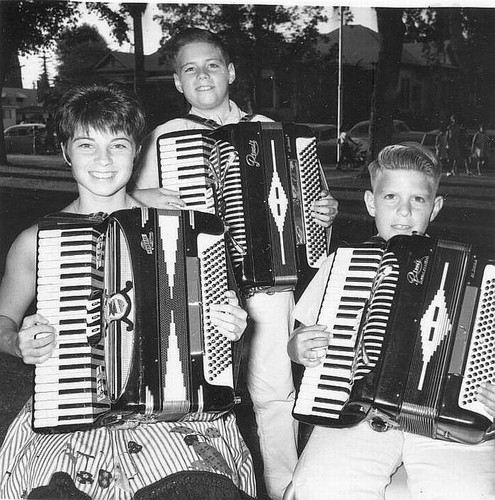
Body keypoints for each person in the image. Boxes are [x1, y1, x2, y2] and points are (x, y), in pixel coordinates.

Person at [0, 84, 257, 500]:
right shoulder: (37, 240)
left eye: (117, 145)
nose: (103, 161)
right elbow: (3, 322)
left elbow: (215, 339)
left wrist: (230, 325)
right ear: (66, 152)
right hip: (74, 407)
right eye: (87, 145)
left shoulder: (184, 231)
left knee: (202, 490)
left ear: (136, 151)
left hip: (175, 416)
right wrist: (18, 342)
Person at [131, 27, 339, 500]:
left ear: (231, 72)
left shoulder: (271, 130)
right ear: (179, 85)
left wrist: (323, 210)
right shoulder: (164, 140)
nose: (201, 74)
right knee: (202, 397)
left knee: (273, 396)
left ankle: (286, 489)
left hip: (268, 285)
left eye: (211, 65)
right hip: (198, 289)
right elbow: (125, 202)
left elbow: (309, 210)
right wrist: (142, 194)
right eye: (189, 68)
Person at [287, 143, 495, 500]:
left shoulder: (469, 274)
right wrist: (300, 347)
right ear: (370, 202)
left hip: (442, 420)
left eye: (418, 200)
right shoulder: (345, 265)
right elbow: (298, 339)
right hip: (359, 412)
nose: (403, 210)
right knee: (321, 488)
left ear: (436, 206)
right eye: (390, 197)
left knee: (467, 491)